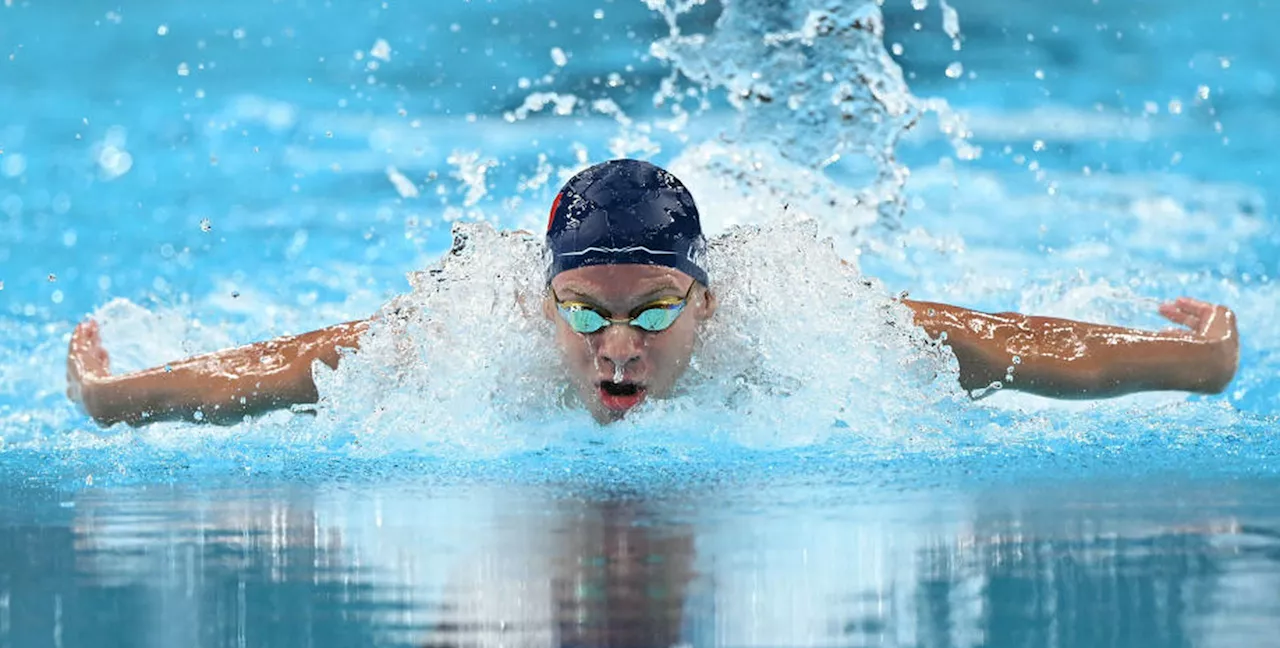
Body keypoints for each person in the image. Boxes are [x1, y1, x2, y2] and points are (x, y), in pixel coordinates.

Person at [65, 159, 1240, 428]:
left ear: (707, 306)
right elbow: (285, 368)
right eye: (583, 312)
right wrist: (116, 398)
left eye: (650, 313)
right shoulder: (468, 338)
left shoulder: (812, 330)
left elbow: (1021, 346)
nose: (614, 344)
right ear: (541, 305)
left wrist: (1200, 357)